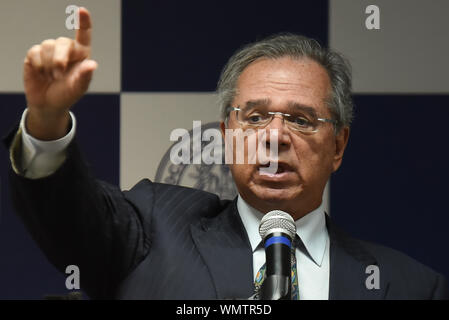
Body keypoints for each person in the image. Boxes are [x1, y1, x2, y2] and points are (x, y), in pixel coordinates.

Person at [5, 7, 448, 300]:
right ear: (228, 134)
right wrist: (46, 121)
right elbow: (70, 218)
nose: (275, 136)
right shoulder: (153, 228)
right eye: (255, 118)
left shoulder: (411, 287)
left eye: (301, 119)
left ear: (338, 145)